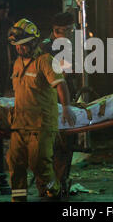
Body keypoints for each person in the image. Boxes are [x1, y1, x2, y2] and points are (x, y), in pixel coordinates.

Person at [7, 18, 76, 201]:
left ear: (33, 42)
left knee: (40, 165)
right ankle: (18, 198)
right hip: (19, 124)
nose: (20, 49)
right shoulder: (17, 63)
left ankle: (55, 189)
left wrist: (67, 108)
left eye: (23, 45)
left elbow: (61, 85)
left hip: (41, 125)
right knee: (15, 165)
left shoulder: (46, 60)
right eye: (17, 46)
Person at [39, 11, 78, 198]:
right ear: (57, 30)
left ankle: (60, 182)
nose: (71, 33)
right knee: (52, 144)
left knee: (67, 142)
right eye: (68, 30)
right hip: (52, 98)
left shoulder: (68, 43)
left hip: (67, 94)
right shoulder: (46, 48)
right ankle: (49, 184)